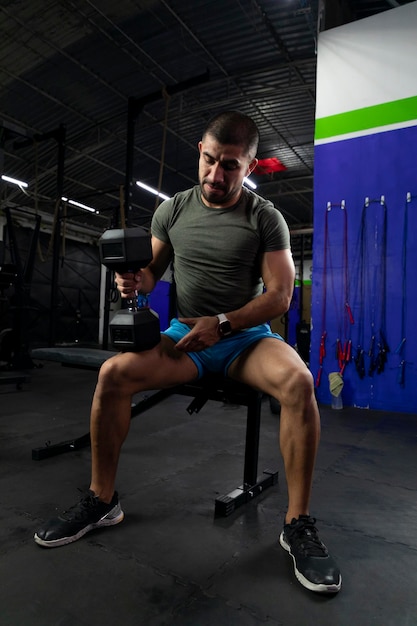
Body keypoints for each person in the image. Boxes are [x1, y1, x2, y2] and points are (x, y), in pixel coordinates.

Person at [34, 111, 341, 594]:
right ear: (199, 150)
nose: (217, 175)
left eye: (231, 166)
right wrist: (134, 279)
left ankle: (296, 524)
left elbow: (281, 295)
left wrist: (222, 323)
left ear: (251, 166)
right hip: (185, 335)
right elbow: (153, 273)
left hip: (245, 336)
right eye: (210, 160)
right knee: (113, 374)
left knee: (299, 383)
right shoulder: (172, 210)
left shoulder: (265, 217)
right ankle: (102, 500)